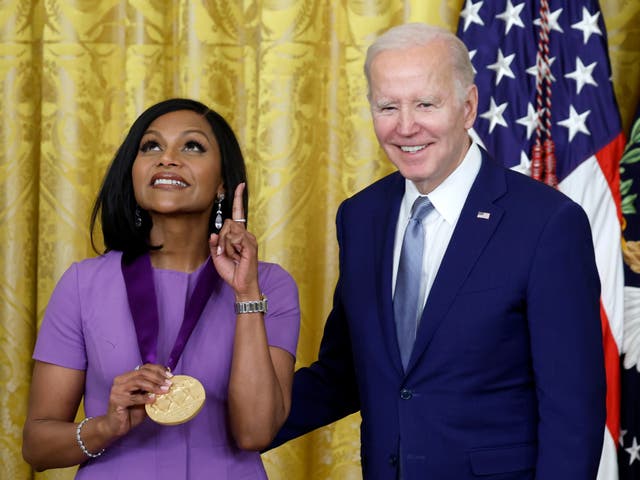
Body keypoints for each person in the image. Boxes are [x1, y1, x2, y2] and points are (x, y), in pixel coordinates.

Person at [271, 23, 606, 479]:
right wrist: (227, 422)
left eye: (426, 104)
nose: (406, 126)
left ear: (468, 107)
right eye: (388, 106)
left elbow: (572, 412)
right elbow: (346, 372)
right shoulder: (361, 216)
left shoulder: (547, 223)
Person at [22, 98, 300, 479]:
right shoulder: (83, 283)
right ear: (133, 172)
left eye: (192, 146)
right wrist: (107, 425)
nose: (166, 158)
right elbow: (36, 447)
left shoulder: (269, 285)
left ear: (222, 183)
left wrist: (246, 294)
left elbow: (255, 431)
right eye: (151, 146)